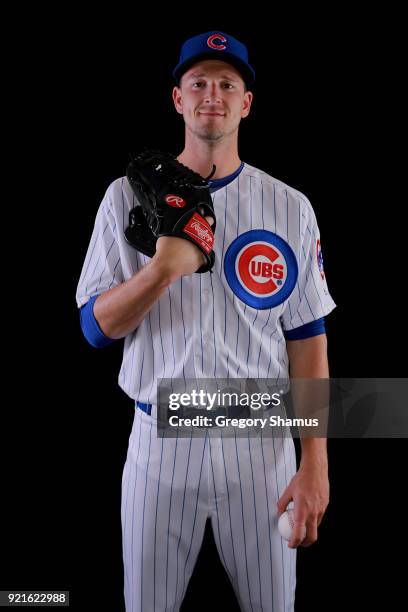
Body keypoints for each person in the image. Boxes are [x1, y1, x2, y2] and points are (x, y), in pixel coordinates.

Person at [76, 30, 336, 612]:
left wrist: (315, 462)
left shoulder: (289, 206)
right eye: (198, 83)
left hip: (262, 448)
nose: (211, 94)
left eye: (227, 84)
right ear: (177, 99)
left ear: (246, 103)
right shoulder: (125, 198)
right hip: (158, 446)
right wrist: (162, 271)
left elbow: (307, 338)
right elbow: (94, 329)